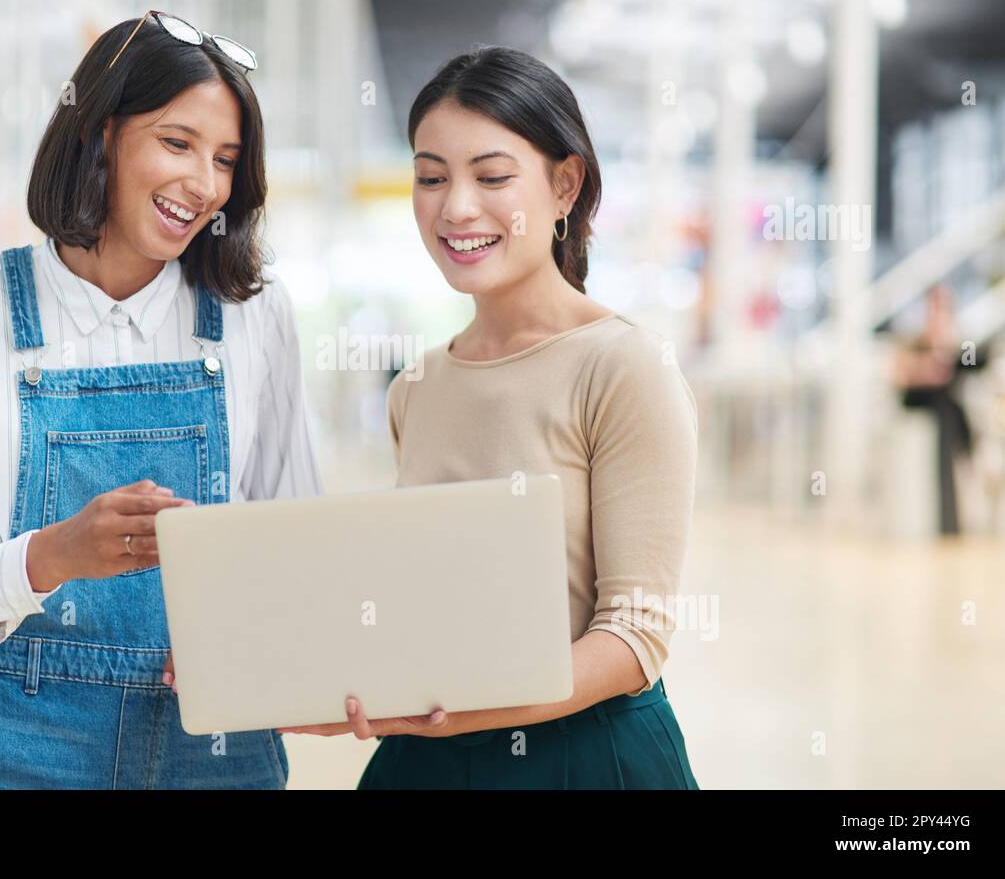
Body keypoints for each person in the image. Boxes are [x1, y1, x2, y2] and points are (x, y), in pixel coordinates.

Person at [0, 10, 321, 789]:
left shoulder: (256, 316)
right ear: (99, 134)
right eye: (177, 143)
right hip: (15, 747)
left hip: (213, 743)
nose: (204, 183)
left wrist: (254, 638)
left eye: (225, 159)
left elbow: (299, 543)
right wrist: (52, 556)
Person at [280, 47, 700, 789]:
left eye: (492, 175)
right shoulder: (417, 385)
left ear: (565, 184)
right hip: (428, 761)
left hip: (584, 757)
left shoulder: (626, 367)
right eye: (431, 176)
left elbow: (636, 636)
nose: (456, 206)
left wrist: (438, 707)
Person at [893, 284, 986, 535]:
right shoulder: (913, 339)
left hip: (944, 406)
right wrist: (927, 368)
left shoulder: (958, 341)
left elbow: (967, 368)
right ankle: (949, 519)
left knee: (949, 405)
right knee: (947, 406)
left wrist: (947, 350)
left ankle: (951, 517)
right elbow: (899, 375)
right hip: (919, 402)